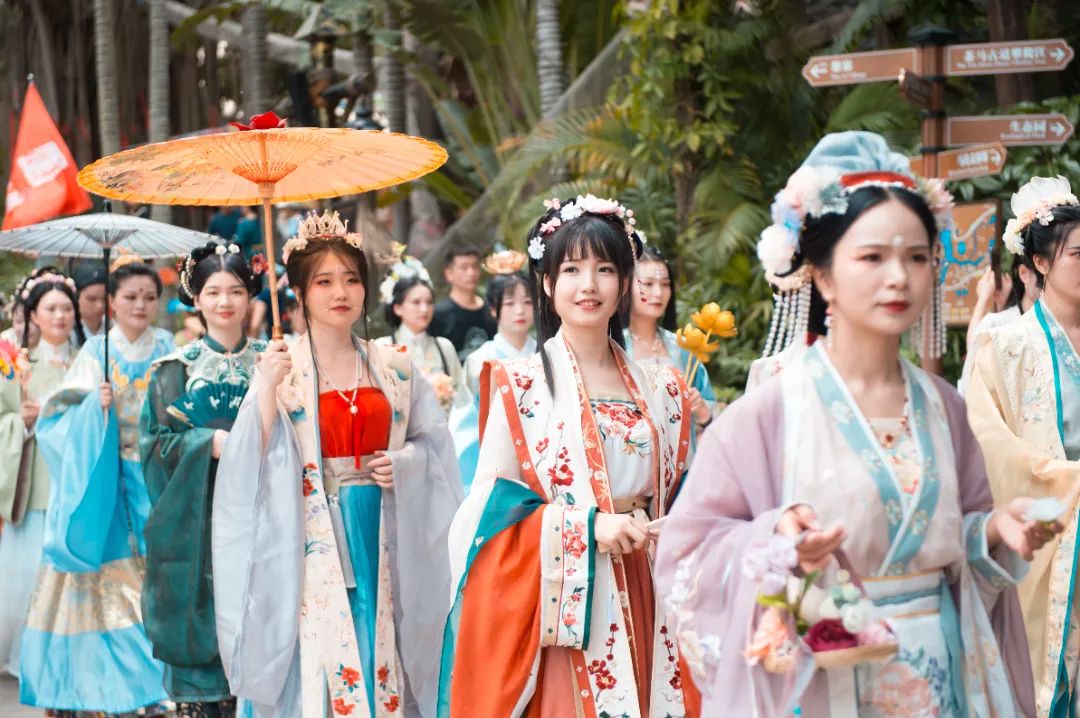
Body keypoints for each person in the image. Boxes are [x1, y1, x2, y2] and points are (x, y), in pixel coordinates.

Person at [654, 133, 1056, 717]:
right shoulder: (769, 412)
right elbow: (688, 553)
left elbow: (958, 540)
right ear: (822, 277)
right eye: (872, 258)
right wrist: (776, 542)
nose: (899, 277)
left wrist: (994, 530)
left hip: (942, 675)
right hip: (826, 683)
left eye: (916, 257)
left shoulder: (945, 407)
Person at [441, 195, 695, 716]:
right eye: (573, 269)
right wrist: (585, 526)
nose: (589, 285)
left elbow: (685, 489)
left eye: (605, 269)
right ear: (548, 284)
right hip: (571, 598)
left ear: (624, 283)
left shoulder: (662, 387)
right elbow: (486, 511)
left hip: (649, 586)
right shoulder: (521, 386)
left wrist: (682, 520)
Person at [211, 210, 463, 717]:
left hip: (381, 524)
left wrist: (404, 461)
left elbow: (433, 444)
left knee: (380, 635)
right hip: (309, 532)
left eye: (351, 279)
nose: (340, 292)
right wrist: (266, 388)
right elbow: (248, 461)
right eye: (323, 282)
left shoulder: (394, 365)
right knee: (319, 647)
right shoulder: (280, 369)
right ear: (299, 293)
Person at [19, 256, 175, 716]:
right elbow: (55, 416)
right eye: (130, 297)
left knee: (154, 583)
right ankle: (109, 686)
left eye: (149, 297)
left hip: (157, 480)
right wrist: (94, 405)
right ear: (111, 302)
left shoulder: (168, 346)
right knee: (107, 586)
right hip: (104, 482)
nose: (140, 305)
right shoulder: (95, 352)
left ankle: (155, 683)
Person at [966, 176, 1080, 715]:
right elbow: (988, 441)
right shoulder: (1004, 345)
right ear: (1039, 264)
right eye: (1078, 255)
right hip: (1051, 531)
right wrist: (1067, 482)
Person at [139, 242, 265, 718]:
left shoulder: (274, 363)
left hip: (262, 510)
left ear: (250, 295)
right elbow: (152, 445)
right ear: (196, 297)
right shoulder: (175, 369)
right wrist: (203, 444)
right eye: (213, 291)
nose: (224, 301)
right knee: (204, 606)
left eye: (235, 290)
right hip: (198, 517)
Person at [0, 273, 80, 678]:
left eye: (66, 308)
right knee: (29, 574)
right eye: (50, 308)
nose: (60, 316)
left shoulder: (87, 360)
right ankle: (28, 656)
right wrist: (22, 422)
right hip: (35, 481)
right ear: (33, 315)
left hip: (75, 480)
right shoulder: (15, 365)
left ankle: (65, 655)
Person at [450, 249, 536, 493]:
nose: (520, 310)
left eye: (527, 302)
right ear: (493, 309)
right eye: (509, 303)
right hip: (496, 465)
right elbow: (464, 425)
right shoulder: (480, 361)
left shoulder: (546, 355)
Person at [624, 244, 716, 430]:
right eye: (648, 284)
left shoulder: (682, 346)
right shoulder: (612, 346)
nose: (659, 293)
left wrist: (703, 411)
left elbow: (712, 414)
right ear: (625, 287)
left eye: (665, 284)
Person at [376, 253, 463, 414]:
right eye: (416, 302)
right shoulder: (382, 347)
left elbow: (461, 400)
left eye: (429, 302)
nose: (424, 309)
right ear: (397, 308)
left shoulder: (444, 347)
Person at [958, 261, 1040, 394]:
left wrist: (984, 299)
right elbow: (973, 353)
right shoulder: (996, 322)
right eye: (1040, 273)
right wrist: (984, 299)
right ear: (1023, 273)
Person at [429, 244, 496, 359]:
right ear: (449, 274)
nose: (471, 273)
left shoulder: (492, 310)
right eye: (464, 268)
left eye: (475, 267)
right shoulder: (438, 314)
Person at [72, 262, 108, 345]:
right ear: (76, 297)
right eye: (92, 299)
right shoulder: (67, 330)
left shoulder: (115, 328)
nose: (100, 306)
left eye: (104, 299)